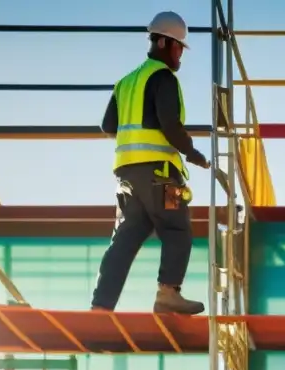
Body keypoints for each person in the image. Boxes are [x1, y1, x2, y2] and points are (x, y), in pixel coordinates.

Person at [91, 11, 210, 315]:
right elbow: (170, 125)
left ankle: (101, 307)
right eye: (179, 47)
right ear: (164, 43)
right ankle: (168, 295)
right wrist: (193, 154)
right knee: (176, 229)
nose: (180, 54)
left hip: (128, 176)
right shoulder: (163, 78)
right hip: (161, 174)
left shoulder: (126, 82)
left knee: (126, 238)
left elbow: (108, 126)